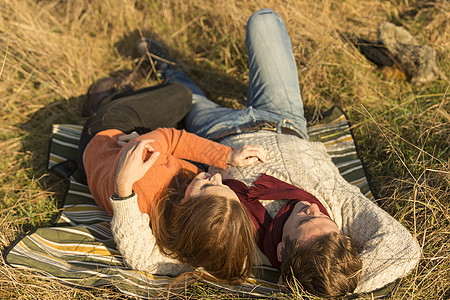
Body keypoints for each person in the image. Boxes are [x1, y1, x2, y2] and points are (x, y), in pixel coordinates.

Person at [138, 8, 421, 297]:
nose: (313, 209)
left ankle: (162, 63)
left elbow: (150, 258)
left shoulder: (241, 246)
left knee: (182, 91)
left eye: (305, 221)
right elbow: (403, 250)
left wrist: (123, 192)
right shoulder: (339, 208)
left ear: (283, 251)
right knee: (264, 20)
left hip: (217, 132)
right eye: (323, 218)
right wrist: (338, 279)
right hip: (282, 116)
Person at [77, 80, 268, 283]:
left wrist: (227, 155)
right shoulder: (190, 244)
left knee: (181, 95)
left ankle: (105, 100)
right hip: (110, 160)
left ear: (185, 206)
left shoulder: (147, 174)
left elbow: (172, 138)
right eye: (224, 186)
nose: (218, 177)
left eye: (208, 185)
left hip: (106, 134)